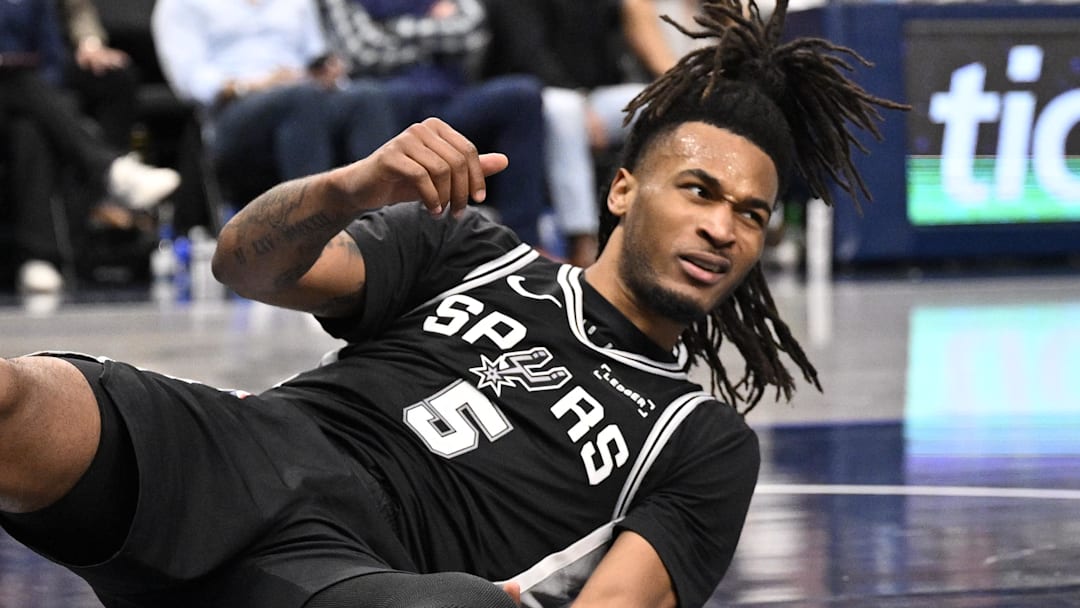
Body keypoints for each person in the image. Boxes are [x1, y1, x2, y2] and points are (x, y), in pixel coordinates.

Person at [0, 0, 907, 606]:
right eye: (700, 191)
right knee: (17, 397)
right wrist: (351, 188)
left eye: (750, 215)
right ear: (624, 190)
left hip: (362, 574)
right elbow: (246, 266)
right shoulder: (468, 247)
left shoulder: (697, 438)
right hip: (243, 455)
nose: (724, 229)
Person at [316, 0, 549, 248]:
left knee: (523, 95)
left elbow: (471, 34)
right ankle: (383, 248)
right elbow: (363, 51)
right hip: (389, 101)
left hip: (449, 99)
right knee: (373, 101)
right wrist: (435, 32)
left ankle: (523, 243)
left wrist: (391, 29)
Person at [0, 0, 180, 293]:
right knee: (18, 82)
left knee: (34, 124)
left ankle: (42, 255)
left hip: (37, 75)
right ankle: (112, 172)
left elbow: (76, 9)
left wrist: (89, 43)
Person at [151, 0, 397, 203]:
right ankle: (314, 228)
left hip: (304, 94)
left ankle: (383, 223)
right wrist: (256, 84)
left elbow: (314, 53)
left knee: (367, 97)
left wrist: (326, 73)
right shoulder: (179, 5)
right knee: (300, 99)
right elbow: (189, 80)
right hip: (234, 110)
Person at [481, 0, 646, 267]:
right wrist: (581, 101)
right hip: (538, 92)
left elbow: (612, 55)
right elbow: (526, 55)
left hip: (593, 97)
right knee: (566, 112)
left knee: (655, 102)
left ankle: (646, 227)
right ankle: (583, 239)